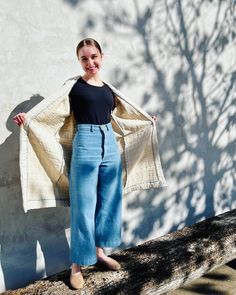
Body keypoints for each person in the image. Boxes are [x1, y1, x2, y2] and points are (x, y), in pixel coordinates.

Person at [13, 38, 164, 290]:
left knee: (109, 199)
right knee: (83, 205)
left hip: (110, 145)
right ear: (79, 61)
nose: (90, 62)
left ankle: (100, 252)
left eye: (93, 57)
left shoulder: (109, 89)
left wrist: (147, 120)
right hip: (85, 142)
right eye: (84, 58)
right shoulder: (74, 87)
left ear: (101, 57)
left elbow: (126, 115)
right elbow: (51, 112)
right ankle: (77, 265)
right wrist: (29, 120)